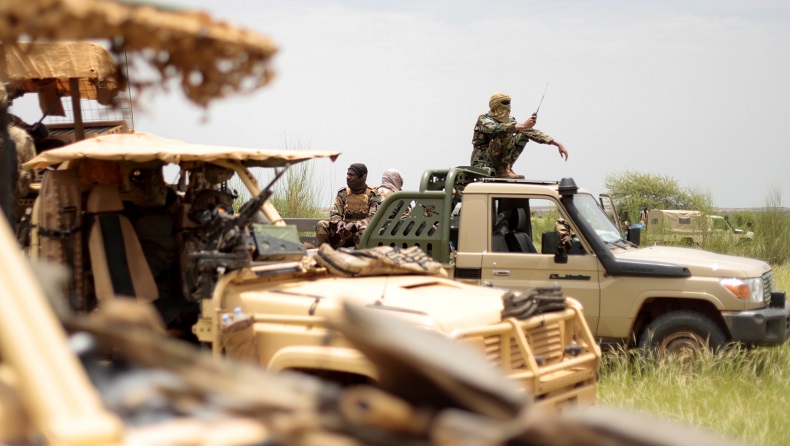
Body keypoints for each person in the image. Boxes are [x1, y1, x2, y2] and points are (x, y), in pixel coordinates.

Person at [471, 92, 568, 179]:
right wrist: (523, 125)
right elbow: (495, 128)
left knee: (524, 133)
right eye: (505, 103)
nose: (508, 106)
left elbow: (529, 131)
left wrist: (557, 144)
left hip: (499, 160)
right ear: (495, 104)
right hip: (482, 160)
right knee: (504, 132)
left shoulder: (510, 120)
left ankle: (506, 167)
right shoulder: (483, 119)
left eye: (509, 103)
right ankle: (503, 169)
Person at [316, 163, 378, 249]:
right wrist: (339, 222)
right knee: (322, 224)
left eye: (351, 175)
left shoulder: (373, 194)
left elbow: (374, 218)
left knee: (364, 229)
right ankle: (326, 255)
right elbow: (335, 213)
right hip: (344, 234)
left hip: (363, 235)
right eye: (347, 174)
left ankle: (358, 259)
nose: (348, 177)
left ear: (361, 177)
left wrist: (354, 225)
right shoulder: (343, 193)